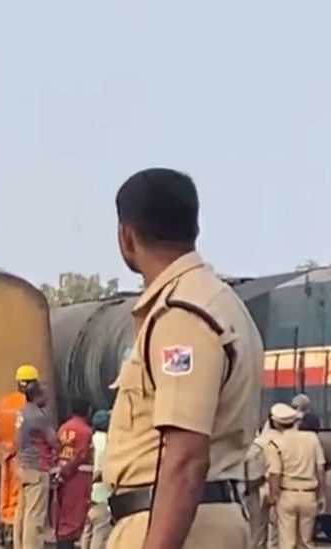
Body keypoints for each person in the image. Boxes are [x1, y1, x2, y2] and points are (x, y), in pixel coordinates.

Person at [104, 168, 263, 549]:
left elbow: (186, 460)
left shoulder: (182, 315)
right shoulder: (224, 305)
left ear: (125, 236)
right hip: (199, 520)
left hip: (172, 525)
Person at [0, 364, 40, 533]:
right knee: (19, 494)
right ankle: (16, 529)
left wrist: (2, 441)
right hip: (23, 455)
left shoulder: (3, 401)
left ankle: (6, 524)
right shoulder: (30, 405)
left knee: (5, 490)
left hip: (6, 453)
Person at [266, 403, 326, 549]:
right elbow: (320, 469)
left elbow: (275, 474)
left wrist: (273, 499)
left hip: (286, 495)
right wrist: (322, 495)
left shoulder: (275, 443)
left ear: (275, 422)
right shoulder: (312, 438)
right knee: (306, 542)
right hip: (309, 495)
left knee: (287, 543)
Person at [13, 381, 59, 549]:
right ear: (37, 396)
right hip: (37, 467)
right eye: (45, 395)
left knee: (22, 512)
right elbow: (53, 441)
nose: (48, 398)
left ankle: (19, 545)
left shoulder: (22, 412)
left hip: (23, 465)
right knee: (35, 515)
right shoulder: (39, 417)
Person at [51, 398, 93, 549]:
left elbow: (56, 450)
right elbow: (80, 455)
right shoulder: (85, 431)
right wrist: (67, 471)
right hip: (77, 477)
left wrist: (59, 473)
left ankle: (61, 540)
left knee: (63, 512)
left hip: (62, 474)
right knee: (76, 512)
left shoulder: (63, 428)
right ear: (87, 411)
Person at [247, 416, 281, 549]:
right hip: (277, 487)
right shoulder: (283, 440)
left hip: (259, 487)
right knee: (275, 532)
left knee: (258, 529)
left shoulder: (258, 442)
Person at [81, 410, 112, 549]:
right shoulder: (108, 442)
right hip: (102, 494)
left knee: (87, 531)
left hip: (87, 492)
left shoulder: (90, 439)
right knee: (101, 532)